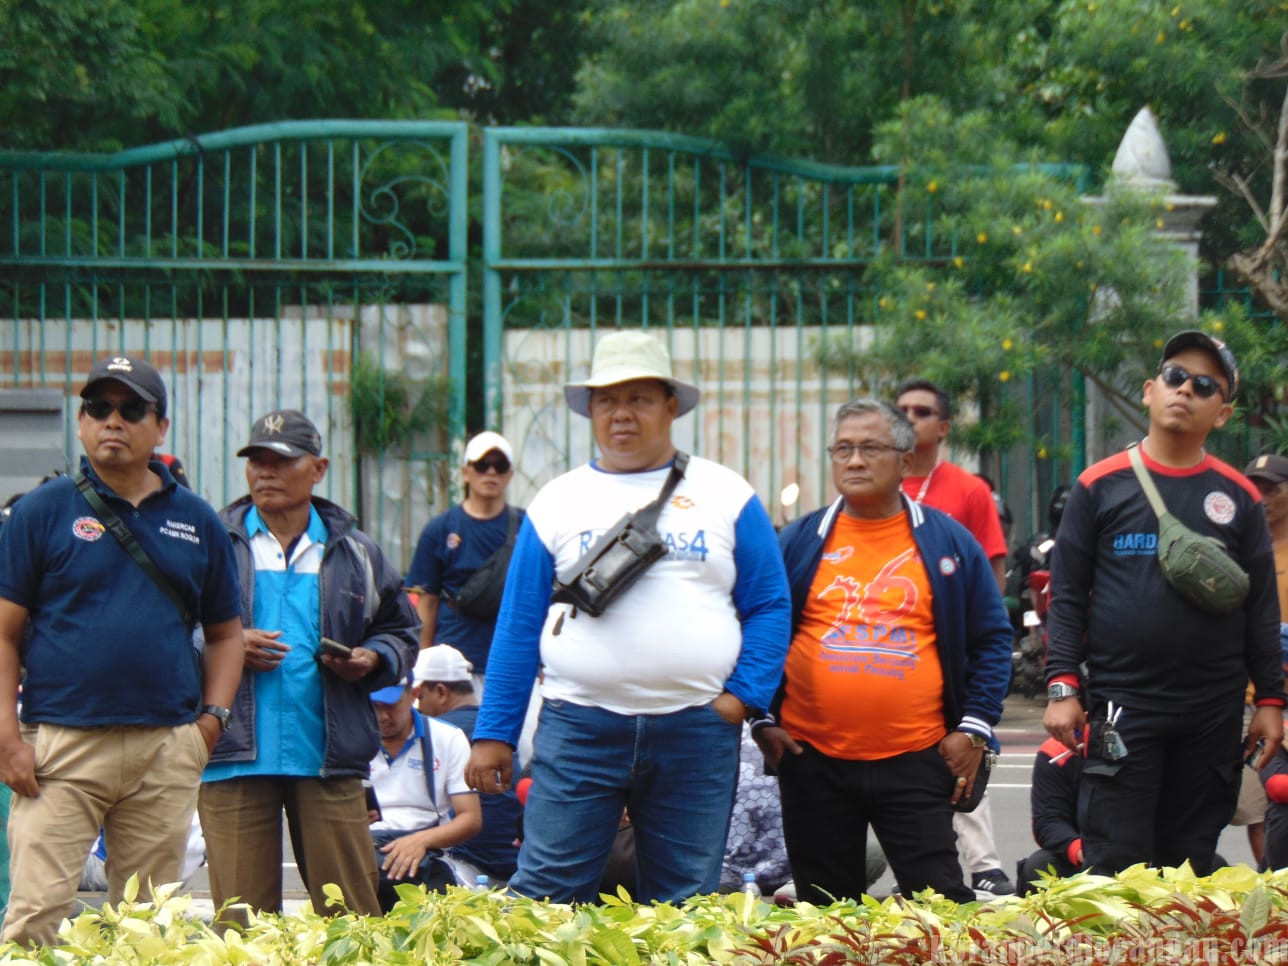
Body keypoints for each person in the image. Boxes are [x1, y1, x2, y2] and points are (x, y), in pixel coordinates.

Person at [464, 330, 791, 903]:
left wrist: (743, 697)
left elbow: (769, 604)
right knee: (546, 895)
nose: (621, 414)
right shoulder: (557, 501)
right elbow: (518, 625)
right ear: (590, 410)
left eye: (638, 398)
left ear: (670, 407)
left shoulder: (726, 494)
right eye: (607, 400)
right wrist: (494, 732)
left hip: (695, 728)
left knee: (684, 901)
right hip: (579, 725)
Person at [0, 355, 244, 946]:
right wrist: (7, 737)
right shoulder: (41, 511)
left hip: (165, 747)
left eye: (131, 409)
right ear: (82, 423)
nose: (113, 420)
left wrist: (210, 723)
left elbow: (226, 633)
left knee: (147, 930)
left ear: (160, 427)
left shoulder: (197, 519)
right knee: (35, 918)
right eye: (98, 408)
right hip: (62, 745)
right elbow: (5, 632)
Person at [1044, 331, 1284, 876]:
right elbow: (1067, 598)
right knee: (1116, 858)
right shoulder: (1097, 486)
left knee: (1190, 860)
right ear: (1151, 390)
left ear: (1222, 413)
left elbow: (1262, 610)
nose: (1185, 391)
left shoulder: (1240, 499)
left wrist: (1271, 698)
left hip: (1213, 709)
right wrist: (1063, 687)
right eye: (1175, 377)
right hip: (1124, 703)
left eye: (1204, 386)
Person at [756, 398, 1013, 904]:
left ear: (904, 459)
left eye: (870, 448)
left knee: (936, 910)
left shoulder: (948, 542)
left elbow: (992, 637)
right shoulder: (799, 541)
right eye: (843, 449)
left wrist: (974, 727)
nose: (854, 461)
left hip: (917, 757)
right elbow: (760, 629)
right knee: (826, 915)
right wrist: (762, 717)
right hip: (813, 759)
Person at [199, 409, 418, 922]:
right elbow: (170, 626)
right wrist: (226, 645)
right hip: (232, 751)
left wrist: (372, 657)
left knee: (353, 920)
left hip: (328, 754)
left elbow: (401, 630)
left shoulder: (356, 550)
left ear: (318, 469)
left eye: (281, 461)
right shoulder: (212, 544)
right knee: (239, 925)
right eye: (256, 460)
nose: (265, 472)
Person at [894, 378, 1014, 899]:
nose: (910, 418)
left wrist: (972, 642)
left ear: (943, 428)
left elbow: (994, 569)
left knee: (965, 750)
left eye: (922, 412)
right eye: (901, 411)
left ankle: (983, 863)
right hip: (895, 655)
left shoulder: (968, 490)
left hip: (955, 653)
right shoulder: (877, 486)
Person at [406, 431, 524, 682]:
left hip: (512, 662)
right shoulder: (439, 529)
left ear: (510, 475)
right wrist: (424, 666)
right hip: (453, 666)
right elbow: (427, 602)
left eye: (500, 466)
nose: (491, 473)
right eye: (482, 465)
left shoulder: (528, 529)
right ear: (466, 472)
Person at [412, 644, 523, 883]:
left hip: (468, 865)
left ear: (441, 692)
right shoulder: (499, 733)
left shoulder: (438, 734)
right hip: (517, 864)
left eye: (419, 697)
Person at [368, 679, 481, 910]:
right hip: (365, 843)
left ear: (414, 694)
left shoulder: (448, 738)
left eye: (390, 706)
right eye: (373, 706)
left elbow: (470, 817)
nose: (382, 717)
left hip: (428, 845)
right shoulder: (348, 737)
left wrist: (420, 841)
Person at [1246, 453, 1288, 869]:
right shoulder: (1240, 548)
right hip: (1247, 697)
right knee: (1254, 807)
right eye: (1253, 488)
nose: (1261, 498)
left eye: (1271, 489)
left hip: (1283, 697)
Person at [1017, 735, 1085, 894]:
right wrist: (1080, 851)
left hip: (1137, 850)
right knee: (1039, 867)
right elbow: (1048, 821)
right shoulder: (1056, 749)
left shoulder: (1138, 737)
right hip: (1083, 852)